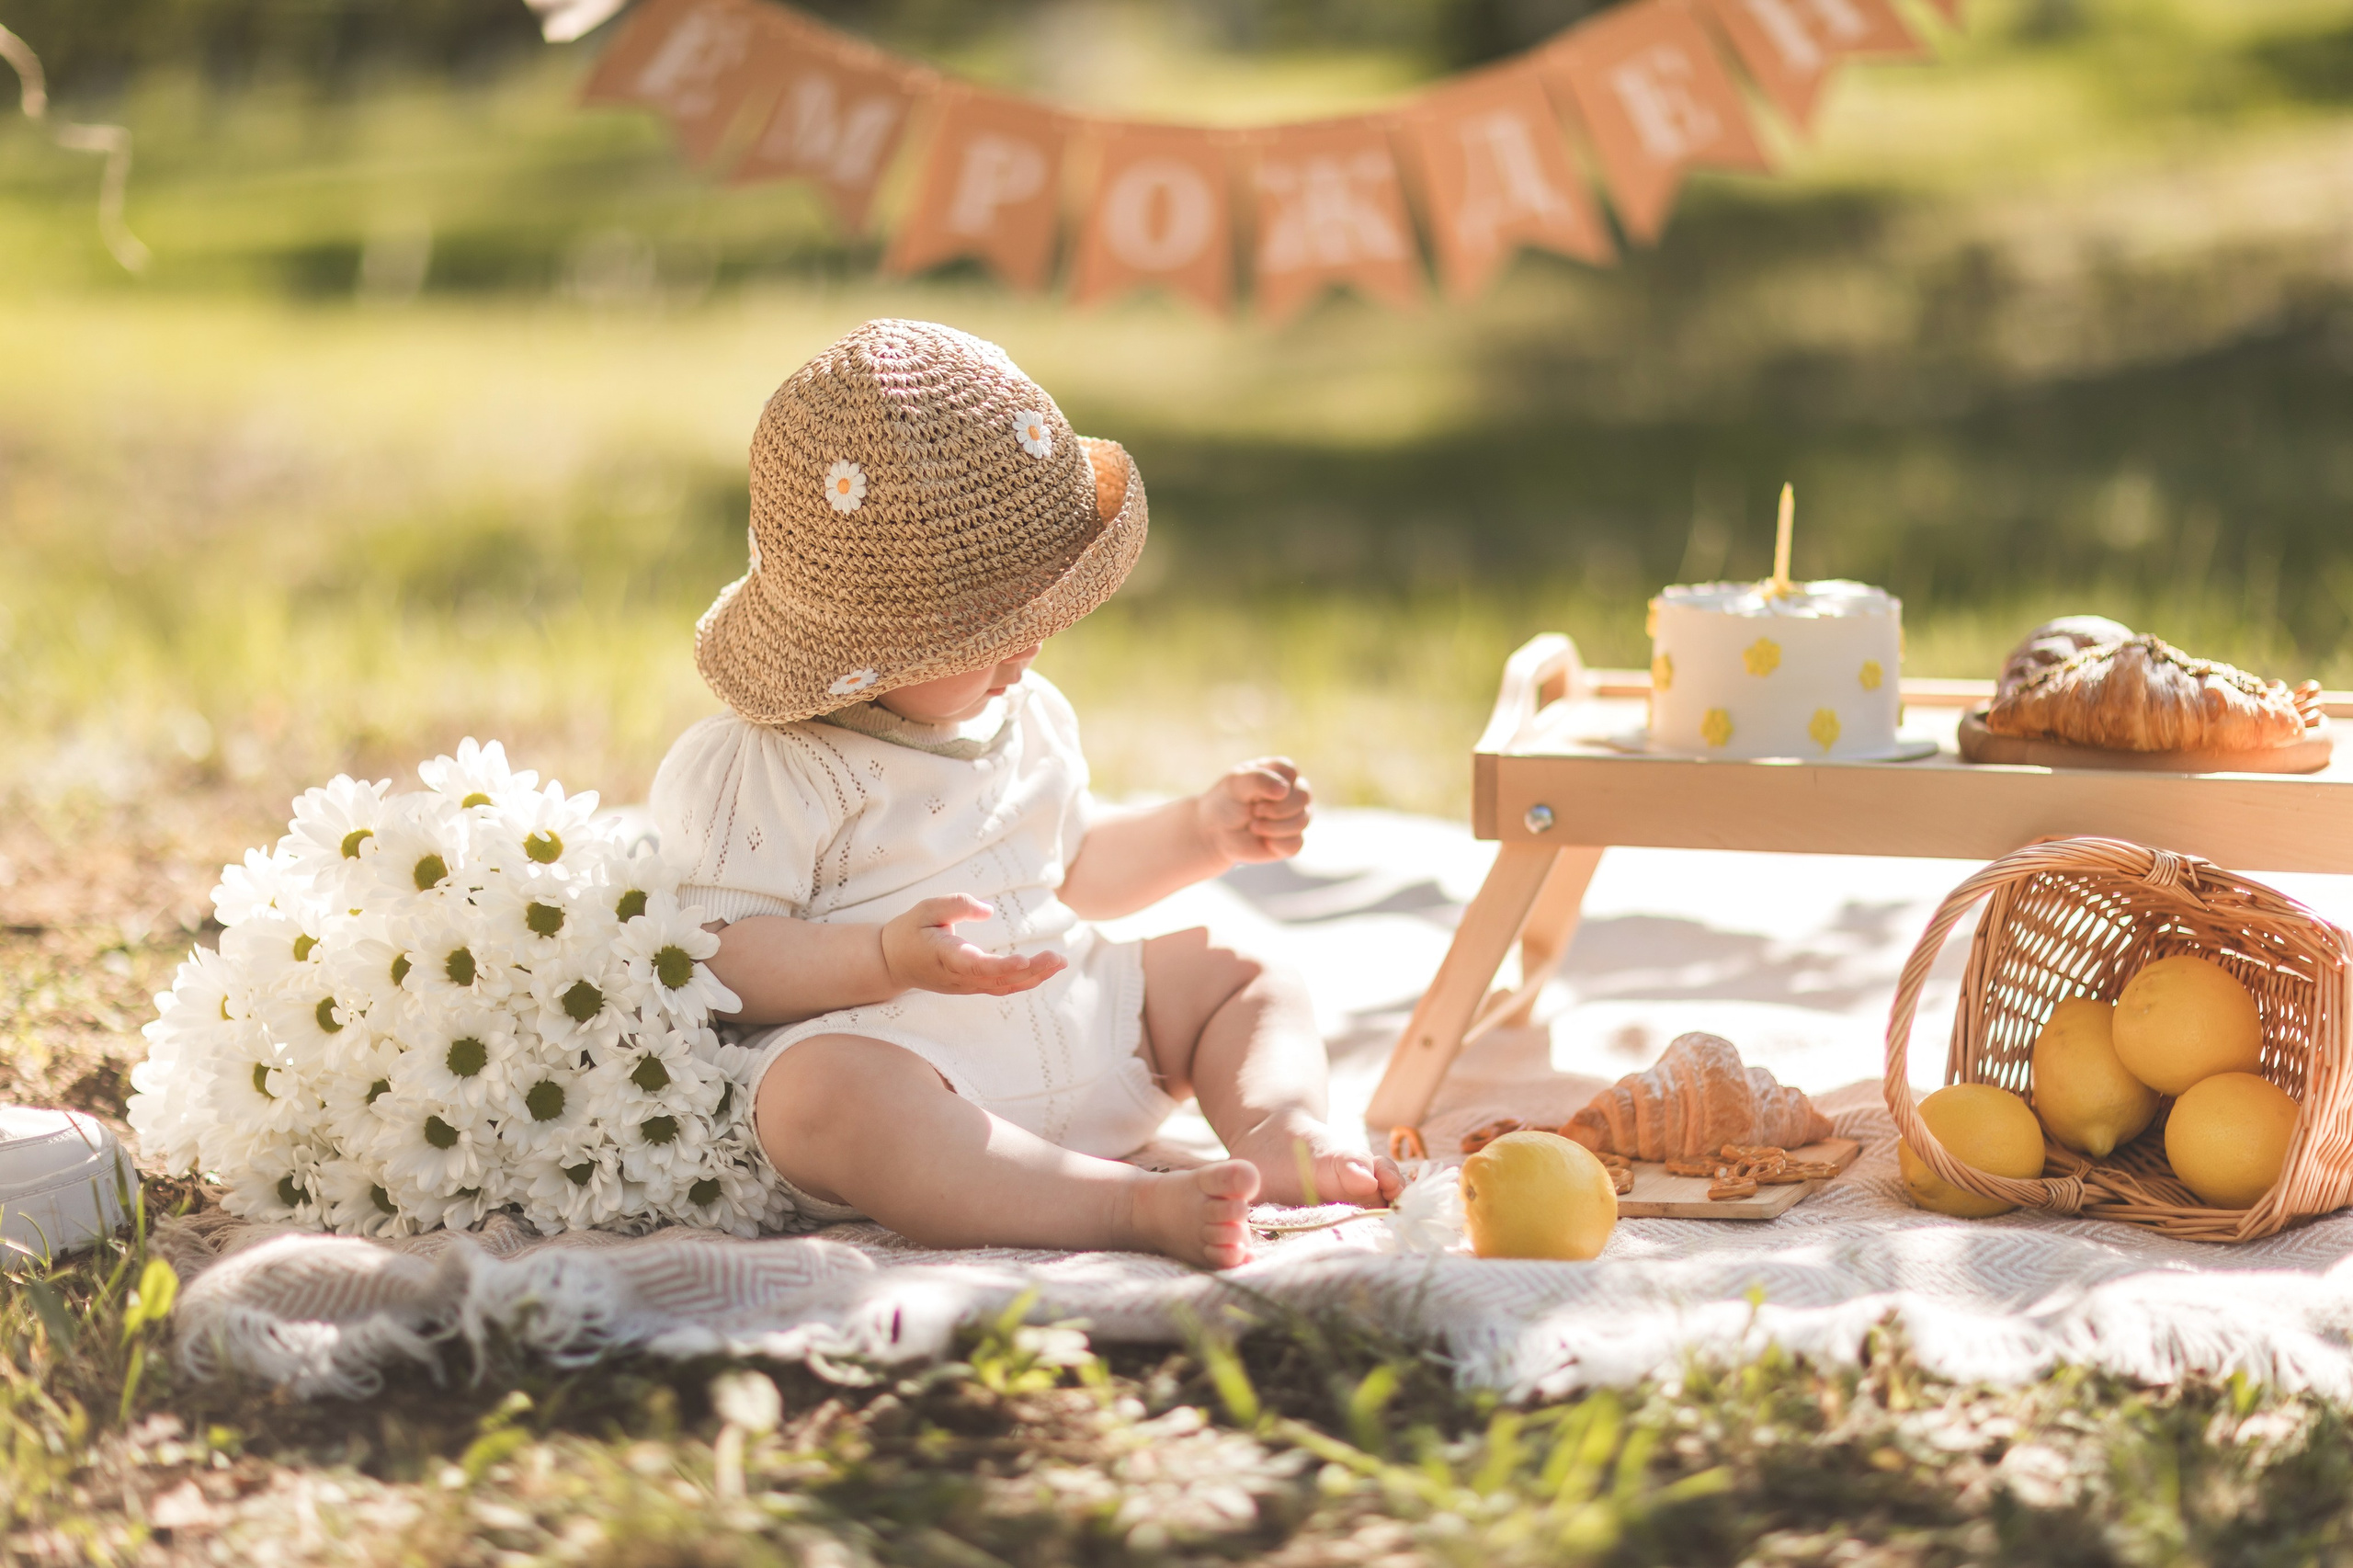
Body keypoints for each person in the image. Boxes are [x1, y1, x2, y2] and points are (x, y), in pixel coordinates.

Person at [651, 319, 1403, 1268]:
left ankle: (1280, 1136)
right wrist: (882, 956)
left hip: (1076, 1020)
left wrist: (1200, 830)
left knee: (1238, 966)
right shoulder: (767, 764)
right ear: (865, 643)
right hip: (913, 1068)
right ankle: (1126, 1208)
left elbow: (1076, 865)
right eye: (989, 630)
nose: (1029, 646)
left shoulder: (1027, 711)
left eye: (1041, 611)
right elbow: (715, 957)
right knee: (821, 1100)